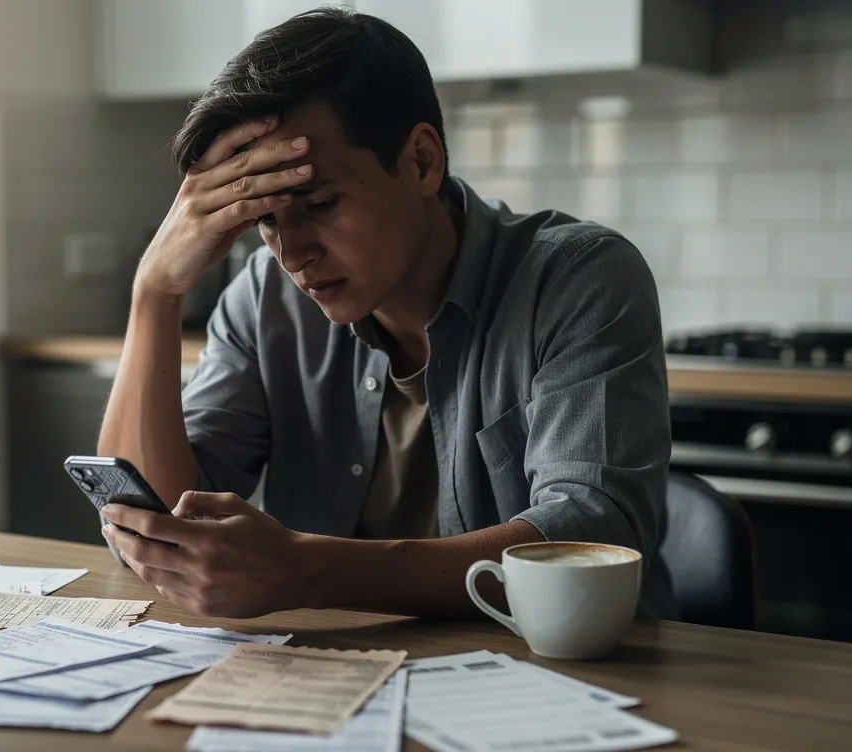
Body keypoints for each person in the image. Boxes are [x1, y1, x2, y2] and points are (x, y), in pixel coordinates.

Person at [96, 6, 676, 620]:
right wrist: (155, 292)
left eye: (319, 204)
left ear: (421, 161)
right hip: (339, 677)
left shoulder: (577, 279)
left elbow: (593, 535)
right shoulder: (264, 296)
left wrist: (304, 570)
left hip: (566, 681)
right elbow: (157, 525)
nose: (291, 253)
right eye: (264, 220)